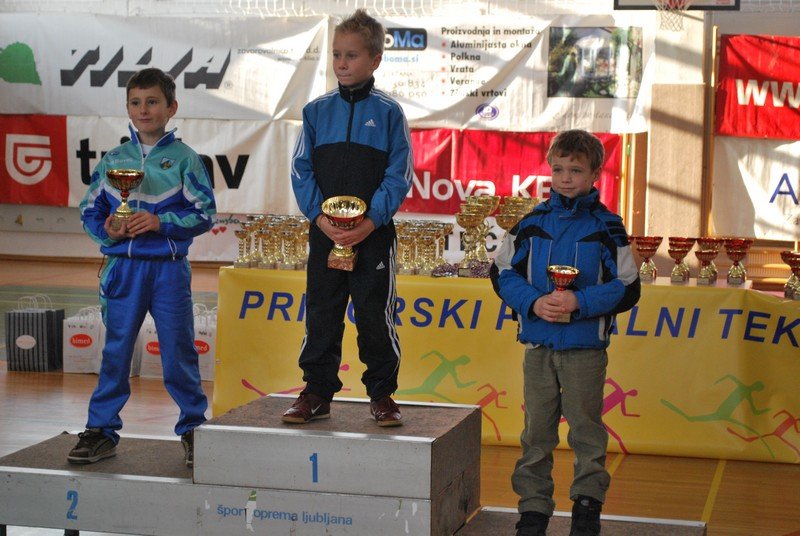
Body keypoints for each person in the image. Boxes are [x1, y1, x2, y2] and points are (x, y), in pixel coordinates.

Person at [489, 130, 640, 536]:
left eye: (575, 170)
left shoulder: (608, 227)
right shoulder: (530, 223)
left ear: (595, 174)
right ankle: (533, 510)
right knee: (536, 432)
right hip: (538, 348)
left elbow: (628, 286)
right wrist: (534, 303)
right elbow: (501, 273)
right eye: (558, 170)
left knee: (586, 430)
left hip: (585, 350)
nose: (565, 178)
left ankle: (587, 507)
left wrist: (580, 302)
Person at [68, 67, 215, 468]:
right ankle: (101, 430)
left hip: (168, 270)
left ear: (171, 107)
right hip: (123, 270)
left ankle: (193, 429)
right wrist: (109, 229)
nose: (144, 110)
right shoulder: (114, 160)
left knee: (179, 351)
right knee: (115, 351)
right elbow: (90, 210)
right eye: (136, 102)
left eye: (152, 102)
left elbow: (205, 213)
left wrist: (160, 222)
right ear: (128, 108)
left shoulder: (185, 159)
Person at [285, 9, 414, 427]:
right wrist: (319, 218)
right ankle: (316, 391)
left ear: (375, 59)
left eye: (352, 55)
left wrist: (370, 221)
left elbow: (399, 174)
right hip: (325, 234)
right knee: (322, 311)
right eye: (337, 54)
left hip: (372, 235)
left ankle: (382, 394)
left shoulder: (390, 113)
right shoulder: (316, 111)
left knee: (374, 314)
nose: (342, 63)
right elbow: (301, 169)